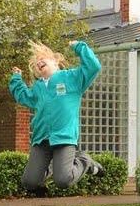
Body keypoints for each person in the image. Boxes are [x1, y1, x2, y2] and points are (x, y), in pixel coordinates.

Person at [9, 40, 104, 196]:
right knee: (29, 182)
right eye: (35, 63)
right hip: (41, 139)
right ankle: (53, 168)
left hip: (64, 137)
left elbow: (93, 67)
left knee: (64, 180)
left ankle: (84, 161)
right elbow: (23, 97)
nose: (39, 62)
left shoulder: (72, 78)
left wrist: (79, 47)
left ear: (55, 60)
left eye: (42, 58)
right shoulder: (38, 87)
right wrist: (16, 80)